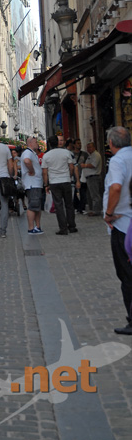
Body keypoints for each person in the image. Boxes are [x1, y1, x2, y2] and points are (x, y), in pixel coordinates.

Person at [102, 127, 132, 335]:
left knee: (126, 274)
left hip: (123, 224)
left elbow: (116, 187)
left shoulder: (118, 160)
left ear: (111, 143)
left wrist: (109, 212)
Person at [42, 135, 80, 234]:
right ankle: (72, 226)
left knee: (58, 205)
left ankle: (63, 228)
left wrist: (46, 184)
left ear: (49, 144)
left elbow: (45, 172)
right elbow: (71, 167)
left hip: (54, 182)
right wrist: (69, 176)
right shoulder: (67, 153)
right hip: (66, 180)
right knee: (69, 204)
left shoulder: (46, 156)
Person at [20, 137, 44, 234]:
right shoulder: (27, 152)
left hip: (36, 183)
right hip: (32, 183)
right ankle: (31, 228)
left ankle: (37, 226)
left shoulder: (32, 153)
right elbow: (26, 161)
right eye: (35, 142)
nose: (37, 143)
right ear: (30, 143)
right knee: (33, 206)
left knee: (37, 206)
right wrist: (32, 170)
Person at [81, 141, 103, 216]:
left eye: (90, 147)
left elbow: (94, 165)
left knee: (95, 194)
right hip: (89, 178)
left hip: (94, 177)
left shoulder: (96, 155)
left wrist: (85, 165)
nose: (88, 149)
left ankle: (97, 210)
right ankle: (93, 209)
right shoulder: (90, 155)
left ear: (94, 147)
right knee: (91, 194)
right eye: (87, 147)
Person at [73, 138, 88, 214]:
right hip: (74, 176)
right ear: (74, 145)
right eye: (78, 143)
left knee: (83, 192)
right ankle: (76, 207)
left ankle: (82, 207)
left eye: (80, 143)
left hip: (82, 175)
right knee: (74, 192)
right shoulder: (71, 154)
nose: (80, 145)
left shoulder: (84, 154)